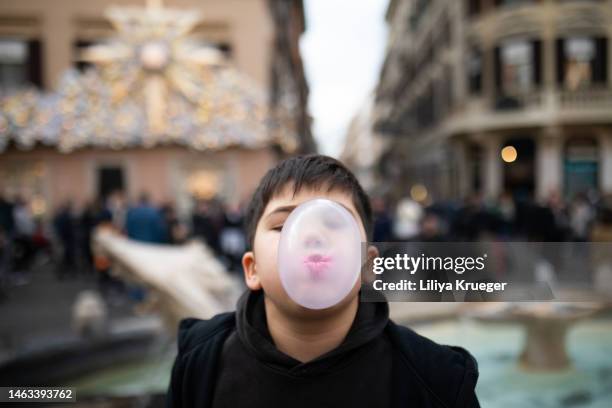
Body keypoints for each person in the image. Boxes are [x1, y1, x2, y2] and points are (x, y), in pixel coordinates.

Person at [166, 155, 480, 408]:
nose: (310, 234)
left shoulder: (437, 380)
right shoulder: (200, 363)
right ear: (252, 269)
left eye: (334, 221)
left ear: (367, 265)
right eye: (283, 224)